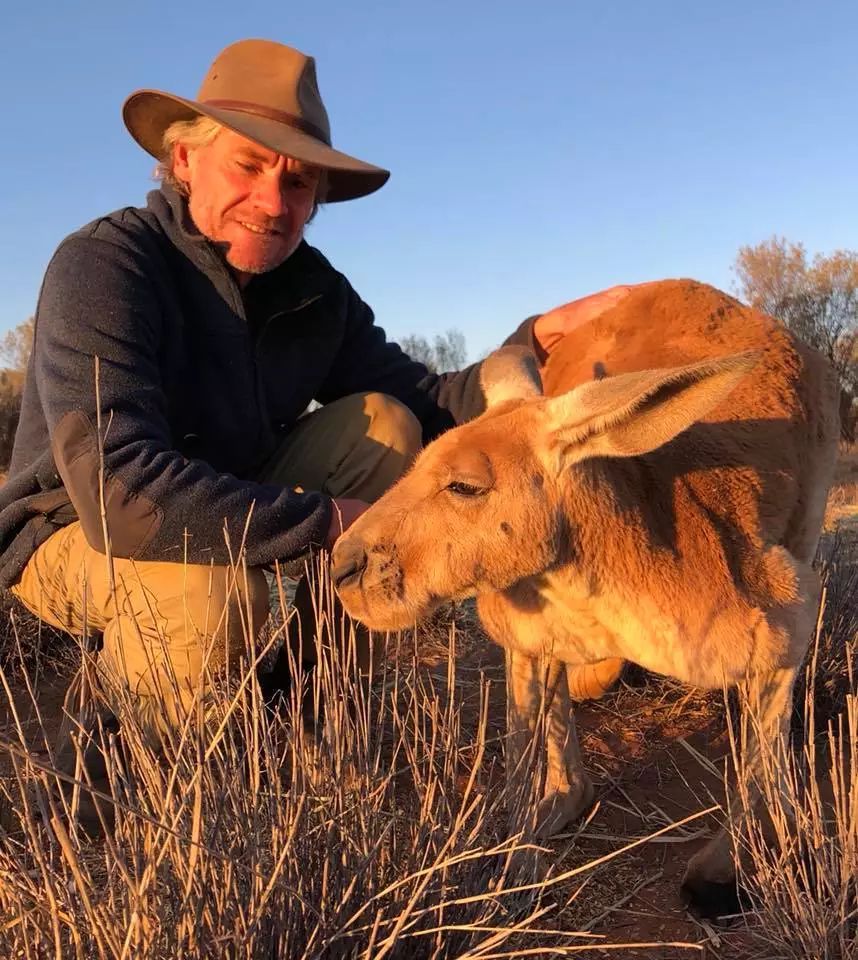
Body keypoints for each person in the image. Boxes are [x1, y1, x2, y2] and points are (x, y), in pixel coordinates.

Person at [0, 38, 633, 823]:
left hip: (226, 501)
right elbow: (117, 492)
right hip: (69, 528)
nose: (274, 200)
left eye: (298, 180)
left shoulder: (314, 291)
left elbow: (430, 401)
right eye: (249, 165)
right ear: (184, 159)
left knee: (387, 425)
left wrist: (531, 340)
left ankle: (294, 713)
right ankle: (100, 781)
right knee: (209, 589)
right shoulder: (106, 265)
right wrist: (333, 524)